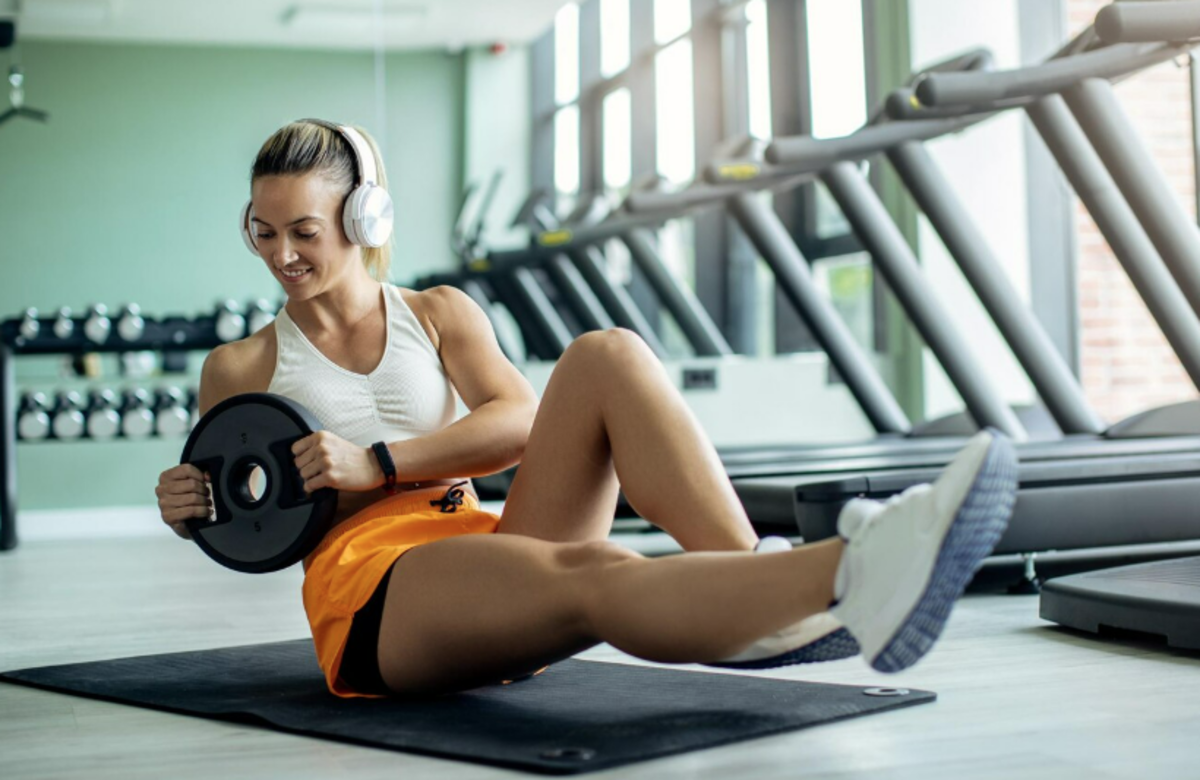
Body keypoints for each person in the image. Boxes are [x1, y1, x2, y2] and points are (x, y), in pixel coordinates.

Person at [155, 119, 1018, 699]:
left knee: (607, 354)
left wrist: (376, 461)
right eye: (263, 232)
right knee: (597, 568)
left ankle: (759, 591)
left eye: (303, 230)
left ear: (361, 215)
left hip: (481, 540)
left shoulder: (439, 314)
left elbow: (518, 423)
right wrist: (189, 510)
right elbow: (238, 517)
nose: (283, 254)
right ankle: (856, 567)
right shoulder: (243, 365)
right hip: (379, 594)